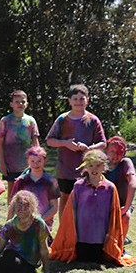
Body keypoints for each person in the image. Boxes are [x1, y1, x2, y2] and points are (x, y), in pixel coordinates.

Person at [50, 150, 136, 266]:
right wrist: (73, 233)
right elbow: (71, 210)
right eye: (91, 165)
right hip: (82, 236)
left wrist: (110, 235)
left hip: (100, 237)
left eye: (98, 165)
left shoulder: (110, 188)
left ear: (104, 166)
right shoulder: (78, 187)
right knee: (83, 259)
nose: (94, 169)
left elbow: (113, 214)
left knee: (97, 260)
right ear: (86, 167)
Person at [45, 83, 106, 218]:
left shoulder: (93, 120)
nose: (79, 102)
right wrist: (65, 143)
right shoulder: (62, 119)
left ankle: (83, 234)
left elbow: (103, 143)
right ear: (69, 101)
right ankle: (64, 234)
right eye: (75, 99)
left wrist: (89, 148)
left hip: (89, 170)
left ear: (87, 100)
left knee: (86, 201)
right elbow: (49, 141)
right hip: (65, 170)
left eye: (82, 99)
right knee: (66, 201)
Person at [0, 90, 39, 204]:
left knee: (27, 191)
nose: (20, 104)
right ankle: (11, 218)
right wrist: (2, 163)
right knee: (12, 191)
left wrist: (38, 160)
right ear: (11, 104)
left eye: (23, 102)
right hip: (10, 163)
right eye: (17, 102)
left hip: (26, 164)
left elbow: (35, 142)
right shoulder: (5, 121)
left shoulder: (30, 121)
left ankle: (25, 218)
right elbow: (0, 143)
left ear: (27, 104)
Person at [12, 146, 59, 227]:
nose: (35, 164)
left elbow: (54, 207)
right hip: (24, 223)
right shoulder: (21, 181)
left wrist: (39, 221)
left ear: (45, 161)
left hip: (44, 224)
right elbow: (13, 203)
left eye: (39, 161)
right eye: (32, 161)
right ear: (28, 161)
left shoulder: (50, 182)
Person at [105, 136, 136, 241]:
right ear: (106, 150)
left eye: (119, 152)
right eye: (112, 151)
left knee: (125, 217)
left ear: (124, 153)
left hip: (121, 204)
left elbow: (133, 184)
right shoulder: (100, 163)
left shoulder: (125, 163)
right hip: (102, 204)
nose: (115, 155)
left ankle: (120, 244)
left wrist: (125, 208)